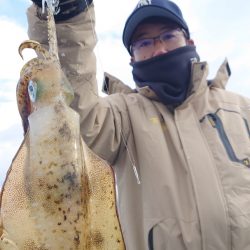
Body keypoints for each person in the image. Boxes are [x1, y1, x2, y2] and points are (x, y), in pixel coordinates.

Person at [26, 0, 250, 249]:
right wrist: (67, 15)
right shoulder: (121, 116)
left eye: (168, 36)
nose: (160, 50)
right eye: (144, 43)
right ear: (132, 58)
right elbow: (75, 110)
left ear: (189, 42)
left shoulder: (242, 110)